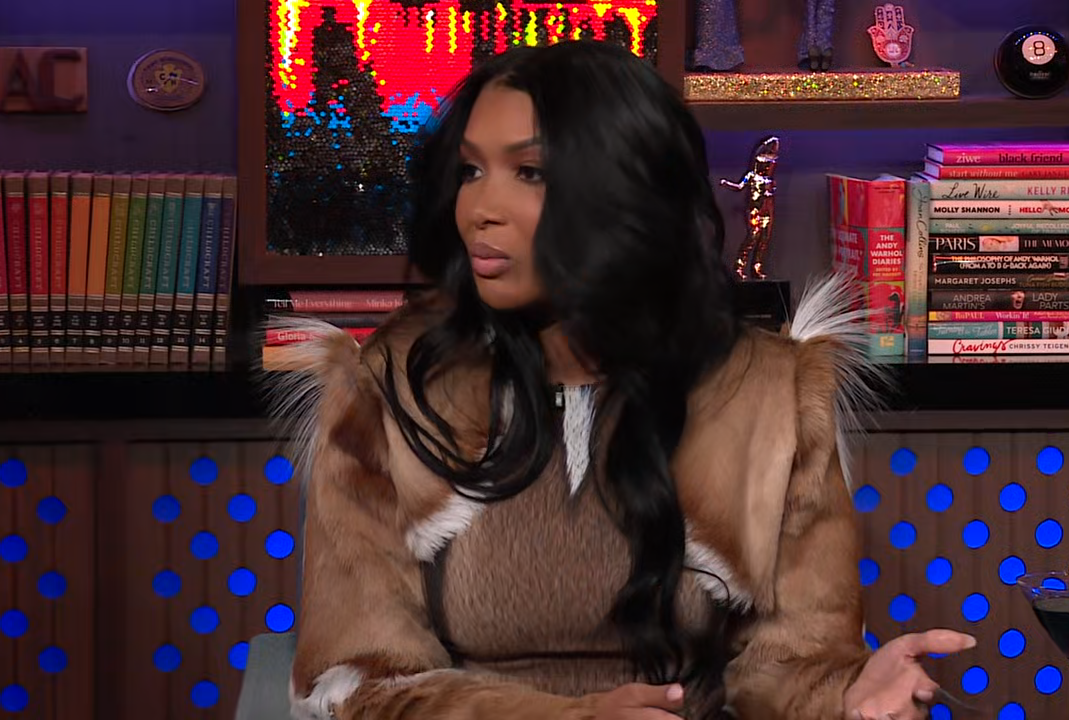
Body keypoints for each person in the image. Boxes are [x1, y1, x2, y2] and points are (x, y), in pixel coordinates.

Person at [265, 40, 975, 720]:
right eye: (471, 171)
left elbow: (788, 664)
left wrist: (845, 694)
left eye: (529, 172)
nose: (479, 208)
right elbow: (363, 676)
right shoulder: (389, 390)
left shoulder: (769, 393)